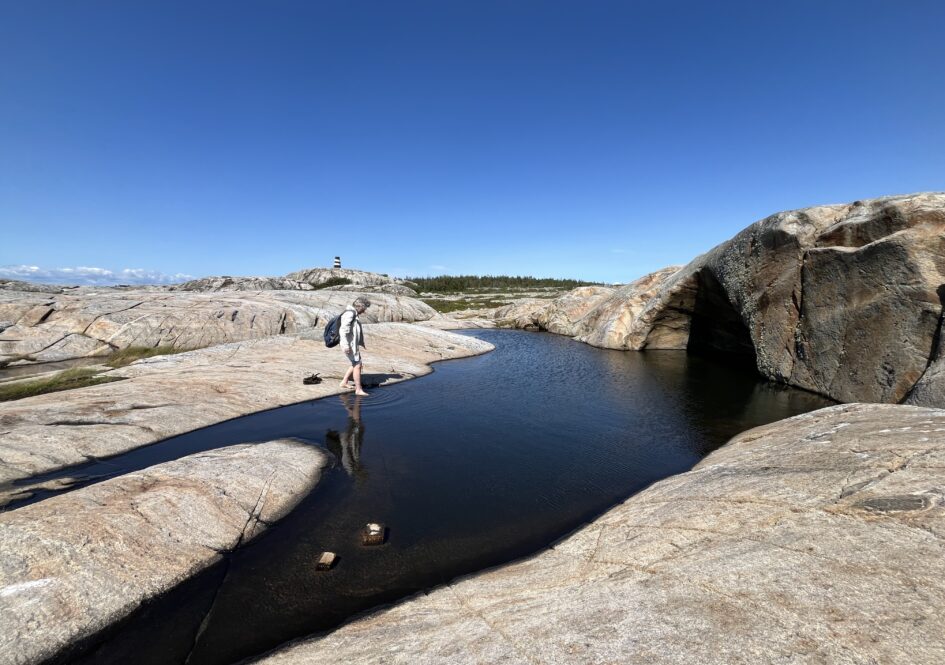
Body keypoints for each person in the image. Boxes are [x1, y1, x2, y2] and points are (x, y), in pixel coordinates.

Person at [338, 296, 370, 396]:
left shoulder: (353, 313)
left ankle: (344, 382)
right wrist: (346, 345)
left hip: (352, 344)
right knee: (357, 364)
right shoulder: (350, 314)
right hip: (348, 344)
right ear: (360, 306)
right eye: (364, 309)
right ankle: (358, 389)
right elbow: (343, 330)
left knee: (356, 362)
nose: (364, 311)